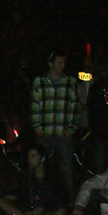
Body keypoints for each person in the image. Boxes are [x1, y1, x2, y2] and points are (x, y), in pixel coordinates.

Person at [30, 51, 78, 202]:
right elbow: (35, 106)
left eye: (64, 63)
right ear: (51, 64)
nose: (62, 66)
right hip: (45, 134)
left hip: (62, 135)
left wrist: (71, 130)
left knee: (66, 170)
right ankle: (37, 200)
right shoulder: (40, 81)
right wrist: (37, 127)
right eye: (59, 63)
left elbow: (75, 107)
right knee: (40, 168)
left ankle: (67, 202)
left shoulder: (70, 82)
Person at [0, 144, 69, 215]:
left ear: (42, 159)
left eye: (33, 156)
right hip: (30, 208)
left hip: (45, 209)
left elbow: (59, 196)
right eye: (29, 156)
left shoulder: (53, 176)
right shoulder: (26, 175)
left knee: (61, 211)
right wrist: (26, 209)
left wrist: (41, 207)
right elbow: (21, 194)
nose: (30, 159)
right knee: (1, 201)